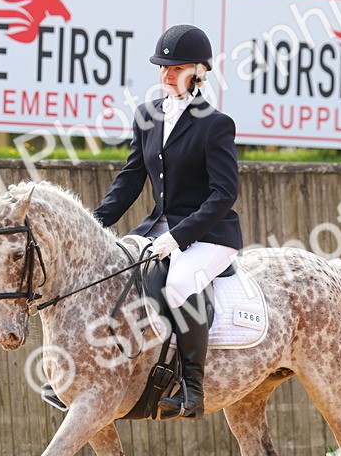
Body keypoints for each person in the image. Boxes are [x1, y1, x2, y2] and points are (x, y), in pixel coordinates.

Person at [89, 24, 242, 420]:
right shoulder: (147, 115)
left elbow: (223, 194)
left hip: (209, 234)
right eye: (163, 67)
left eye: (175, 68)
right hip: (157, 225)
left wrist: (179, 237)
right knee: (116, 270)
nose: (167, 75)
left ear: (200, 72)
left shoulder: (215, 123)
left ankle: (192, 390)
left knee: (178, 280)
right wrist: (94, 224)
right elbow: (129, 180)